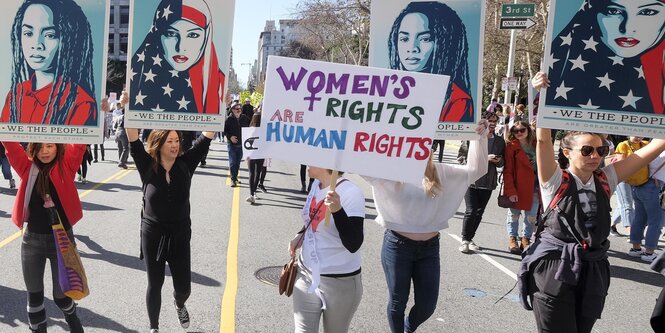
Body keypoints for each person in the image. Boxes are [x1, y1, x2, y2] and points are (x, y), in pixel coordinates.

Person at [518, 72, 665, 333]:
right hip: (555, 267)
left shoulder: (607, 177)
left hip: (593, 269)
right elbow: (542, 140)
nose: (595, 156)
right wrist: (541, 94)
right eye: (587, 150)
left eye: (600, 150)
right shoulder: (554, 179)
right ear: (567, 153)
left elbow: (652, 148)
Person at [363, 120, 488, 333]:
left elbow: (476, 169)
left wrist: (479, 137)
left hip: (429, 249)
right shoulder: (390, 170)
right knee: (397, 302)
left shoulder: (440, 171)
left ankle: (408, 328)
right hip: (397, 246)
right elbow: (359, 162)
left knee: (427, 306)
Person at [127, 127, 215, 333]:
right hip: (152, 233)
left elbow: (206, 137)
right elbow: (132, 138)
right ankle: (154, 328)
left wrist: (219, 104)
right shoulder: (146, 164)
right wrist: (126, 105)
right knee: (154, 283)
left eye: (177, 140)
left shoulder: (186, 164)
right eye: (170, 141)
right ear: (158, 143)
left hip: (180, 233)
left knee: (184, 287)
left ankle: (179, 303)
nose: (175, 145)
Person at [2, 141, 87, 333]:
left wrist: (98, 110)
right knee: (34, 296)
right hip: (32, 242)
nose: (45, 151)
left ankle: (72, 318)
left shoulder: (67, 166)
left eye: (50, 146)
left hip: (62, 241)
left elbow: (81, 141)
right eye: (39, 147)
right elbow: (10, 144)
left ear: (58, 146)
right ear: (33, 148)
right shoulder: (27, 167)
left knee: (61, 296)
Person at [545, 0, 665, 113]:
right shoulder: (568, 63)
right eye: (614, 11)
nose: (627, 28)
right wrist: (542, 85)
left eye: (647, 12)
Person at [289, 167, 365, 333]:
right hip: (307, 274)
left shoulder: (350, 192)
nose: (306, 163)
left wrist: (338, 211)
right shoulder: (317, 184)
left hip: (340, 283)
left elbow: (354, 243)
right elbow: (314, 220)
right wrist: (300, 235)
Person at [0, 0, 97, 125]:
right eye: (28, 33)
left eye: (50, 35)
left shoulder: (80, 103)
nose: (37, 45)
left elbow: (72, 145)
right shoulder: (16, 94)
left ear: (69, 41)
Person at [129, 0, 225, 114]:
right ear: (157, 34)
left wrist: (222, 102)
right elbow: (133, 124)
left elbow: (210, 128)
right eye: (171, 34)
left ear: (206, 37)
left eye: (193, 35)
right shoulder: (139, 77)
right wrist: (126, 103)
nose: (181, 47)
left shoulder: (218, 84)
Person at [388, 1, 474, 122]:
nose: (412, 48)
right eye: (404, 38)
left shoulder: (457, 100)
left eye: (425, 39)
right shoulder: (385, 90)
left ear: (445, 43)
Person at [457, 111, 505, 253]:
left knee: (479, 212)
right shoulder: (471, 137)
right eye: (490, 120)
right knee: (471, 210)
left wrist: (498, 161)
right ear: (483, 121)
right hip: (471, 180)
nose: (493, 123)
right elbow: (461, 158)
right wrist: (483, 159)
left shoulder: (500, 141)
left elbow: (503, 162)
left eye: (495, 121)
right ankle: (464, 240)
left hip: (488, 181)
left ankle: (470, 239)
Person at [503, 120, 540, 254]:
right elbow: (508, 170)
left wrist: (538, 128)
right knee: (514, 214)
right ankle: (512, 239)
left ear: (528, 130)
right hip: (518, 184)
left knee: (531, 215)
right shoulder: (511, 146)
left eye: (522, 130)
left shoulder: (537, 144)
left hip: (535, 185)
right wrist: (510, 190)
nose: (519, 133)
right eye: (515, 131)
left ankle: (526, 239)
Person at [224, 102, 250, 187]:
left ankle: (235, 177)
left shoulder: (245, 118)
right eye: (237, 109)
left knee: (237, 163)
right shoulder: (228, 119)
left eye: (240, 109)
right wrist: (230, 137)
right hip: (231, 145)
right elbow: (224, 131)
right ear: (232, 110)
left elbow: (252, 126)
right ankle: (233, 179)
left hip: (242, 145)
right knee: (232, 162)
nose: (239, 110)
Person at [246, 112, 265, 203]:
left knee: (251, 173)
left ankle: (251, 194)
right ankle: (253, 193)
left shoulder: (250, 129)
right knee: (258, 173)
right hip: (261, 153)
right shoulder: (264, 130)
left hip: (251, 153)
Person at [114, 103, 129, 169]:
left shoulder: (118, 117)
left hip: (117, 132)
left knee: (120, 148)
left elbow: (114, 126)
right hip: (123, 132)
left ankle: (121, 161)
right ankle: (122, 162)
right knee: (126, 148)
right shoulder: (127, 117)